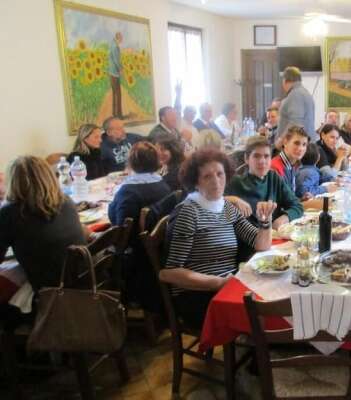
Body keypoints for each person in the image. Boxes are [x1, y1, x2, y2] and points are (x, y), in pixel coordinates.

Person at [160, 149, 276, 328]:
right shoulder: (188, 213)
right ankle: (261, 351)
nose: (216, 182)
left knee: (274, 302)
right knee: (267, 316)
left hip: (228, 287)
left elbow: (260, 244)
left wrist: (265, 221)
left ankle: (260, 351)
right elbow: (170, 273)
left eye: (220, 174)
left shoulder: (225, 206)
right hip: (198, 298)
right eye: (207, 176)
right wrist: (219, 283)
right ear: (195, 182)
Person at [0, 156, 86, 293]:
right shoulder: (65, 201)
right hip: (82, 280)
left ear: (12, 182)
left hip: (52, 291)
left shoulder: (10, 212)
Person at [108, 141, 171, 311]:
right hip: (159, 255)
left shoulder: (128, 191)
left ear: (131, 163)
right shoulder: (163, 185)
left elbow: (121, 233)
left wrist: (111, 206)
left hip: (137, 259)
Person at [225, 136, 303, 230]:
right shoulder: (235, 182)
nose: (262, 161)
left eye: (266, 156)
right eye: (256, 156)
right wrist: (231, 199)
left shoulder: (273, 177)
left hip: (272, 236)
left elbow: (297, 205)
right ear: (246, 158)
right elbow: (211, 204)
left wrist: (284, 218)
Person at [277, 66, 316, 142]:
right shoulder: (305, 92)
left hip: (296, 146)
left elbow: (295, 123)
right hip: (304, 144)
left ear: (285, 80)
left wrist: (281, 141)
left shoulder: (295, 94)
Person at [271, 126, 309, 194]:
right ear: (285, 142)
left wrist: (300, 199)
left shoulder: (292, 166)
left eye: (304, 144)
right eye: (296, 143)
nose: (300, 148)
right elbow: (279, 203)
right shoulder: (275, 168)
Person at [108, 32, 123, 118]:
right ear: (118, 38)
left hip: (111, 72)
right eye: (121, 39)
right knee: (118, 93)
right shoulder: (115, 47)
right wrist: (120, 69)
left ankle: (114, 113)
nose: (121, 40)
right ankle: (119, 114)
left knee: (114, 93)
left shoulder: (112, 45)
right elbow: (116, 60)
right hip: (115, 73)